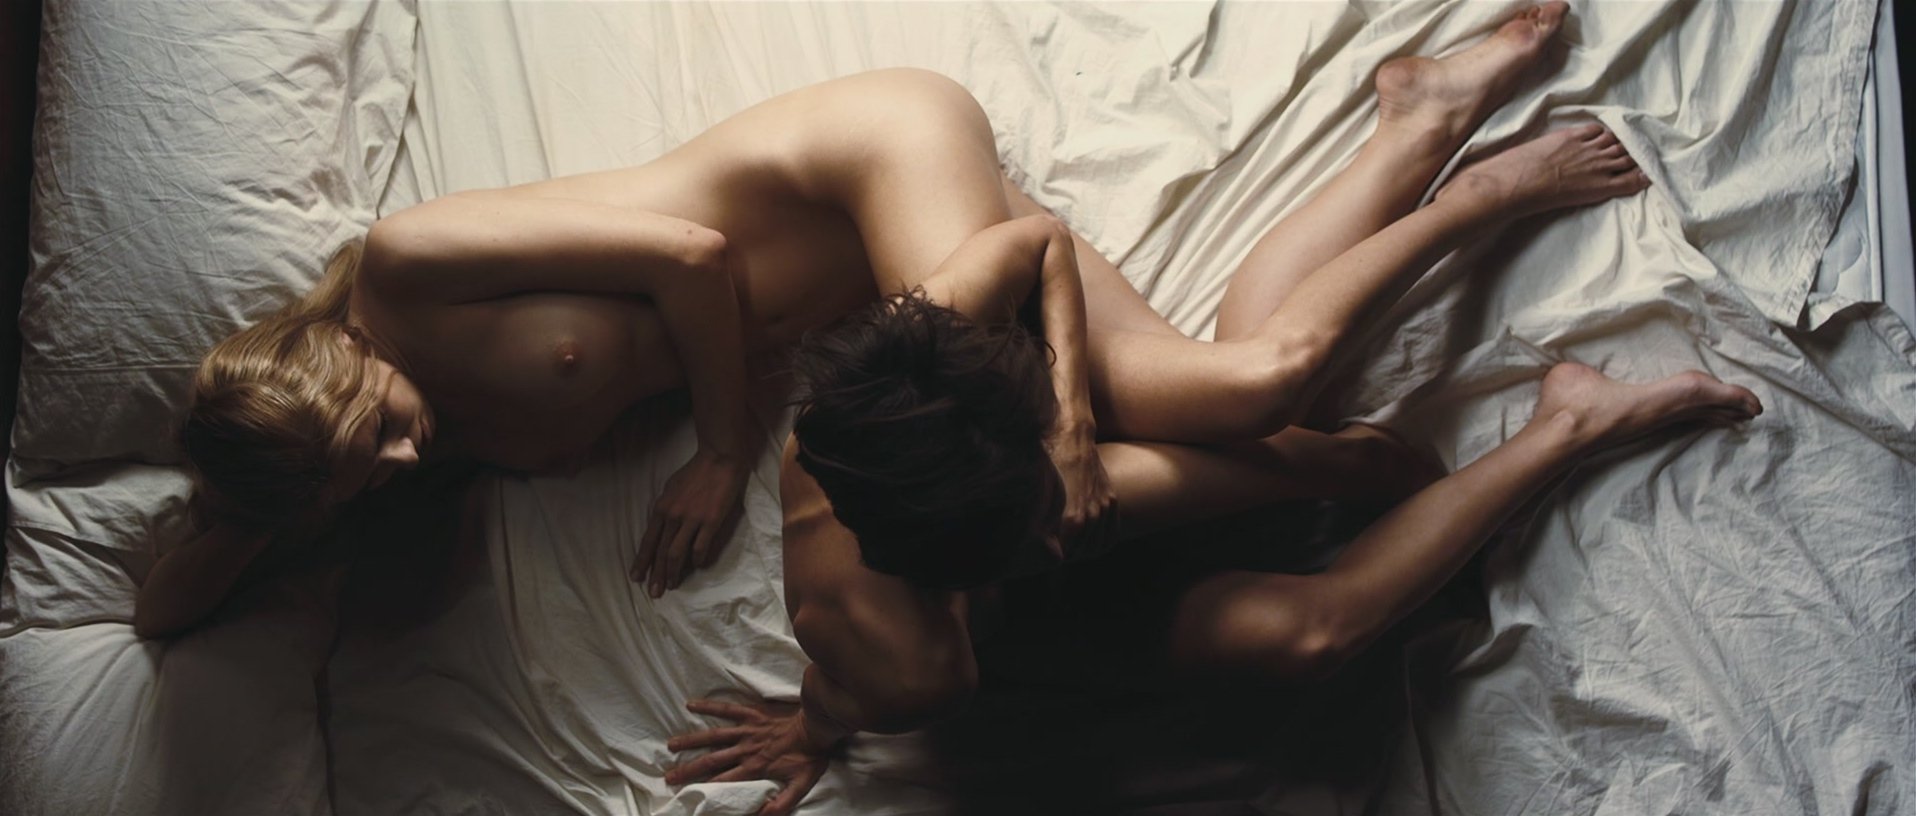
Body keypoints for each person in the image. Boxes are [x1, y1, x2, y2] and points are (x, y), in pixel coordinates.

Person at [661, 5, 1760, 815]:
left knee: (1263, 384)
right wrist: (810, 732)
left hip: (1034, 407)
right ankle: (1570, 422)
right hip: (1055, 594)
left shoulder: (901, 380)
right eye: (1035, 527)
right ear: (972, 564)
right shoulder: (909, 658)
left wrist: (1072, 425)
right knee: (1307, 634)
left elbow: (1038, 247)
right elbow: (844, 692)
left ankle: (1460, 180)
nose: (1061, 517)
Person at [135, 60, 1417, 636]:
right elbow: (160, 615)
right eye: (366, 476)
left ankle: (1453, 218)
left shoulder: (407, 263)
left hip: (869, 163)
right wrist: (252, 494)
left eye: (378, 432)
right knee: (1221, 392)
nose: (407, 460)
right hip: (903, 285)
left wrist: (719, 450)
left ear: (335, 361)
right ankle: (1416, 131)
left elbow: (690, 257)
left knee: (1129, 436)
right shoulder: (368, 454)